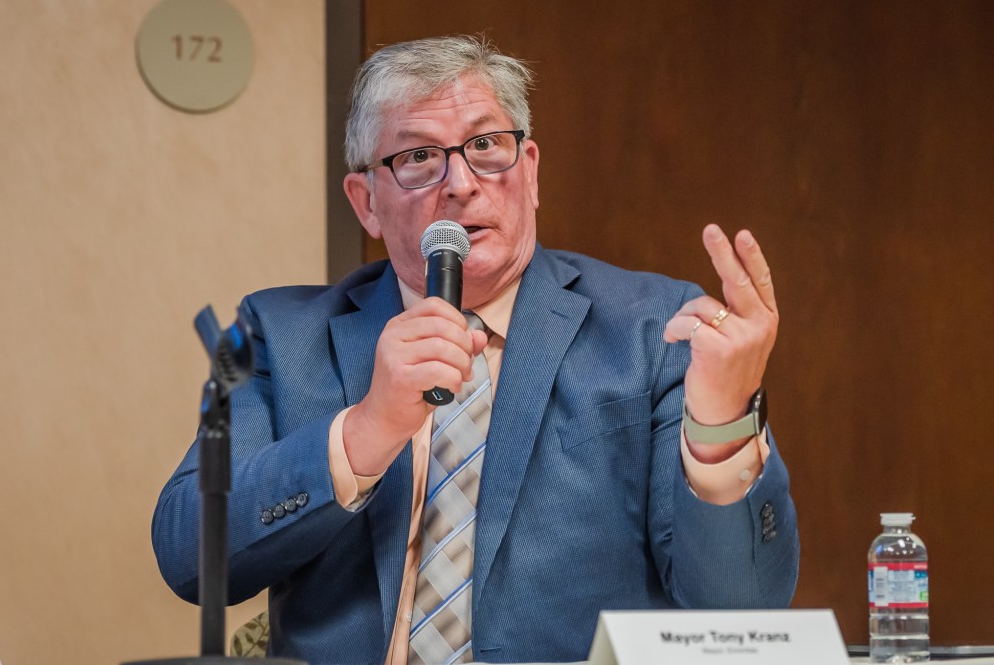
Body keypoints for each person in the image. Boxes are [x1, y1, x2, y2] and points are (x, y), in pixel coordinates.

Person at [153, 36, 798, 664]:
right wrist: (365, 432)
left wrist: (722, 428)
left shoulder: (650, 327)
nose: (460, 184)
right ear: (366, 203)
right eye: (418, 159)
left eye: (487, 146)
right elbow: (191, 559)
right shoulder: (283, 334)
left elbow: (739, 609)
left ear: (531, 171)